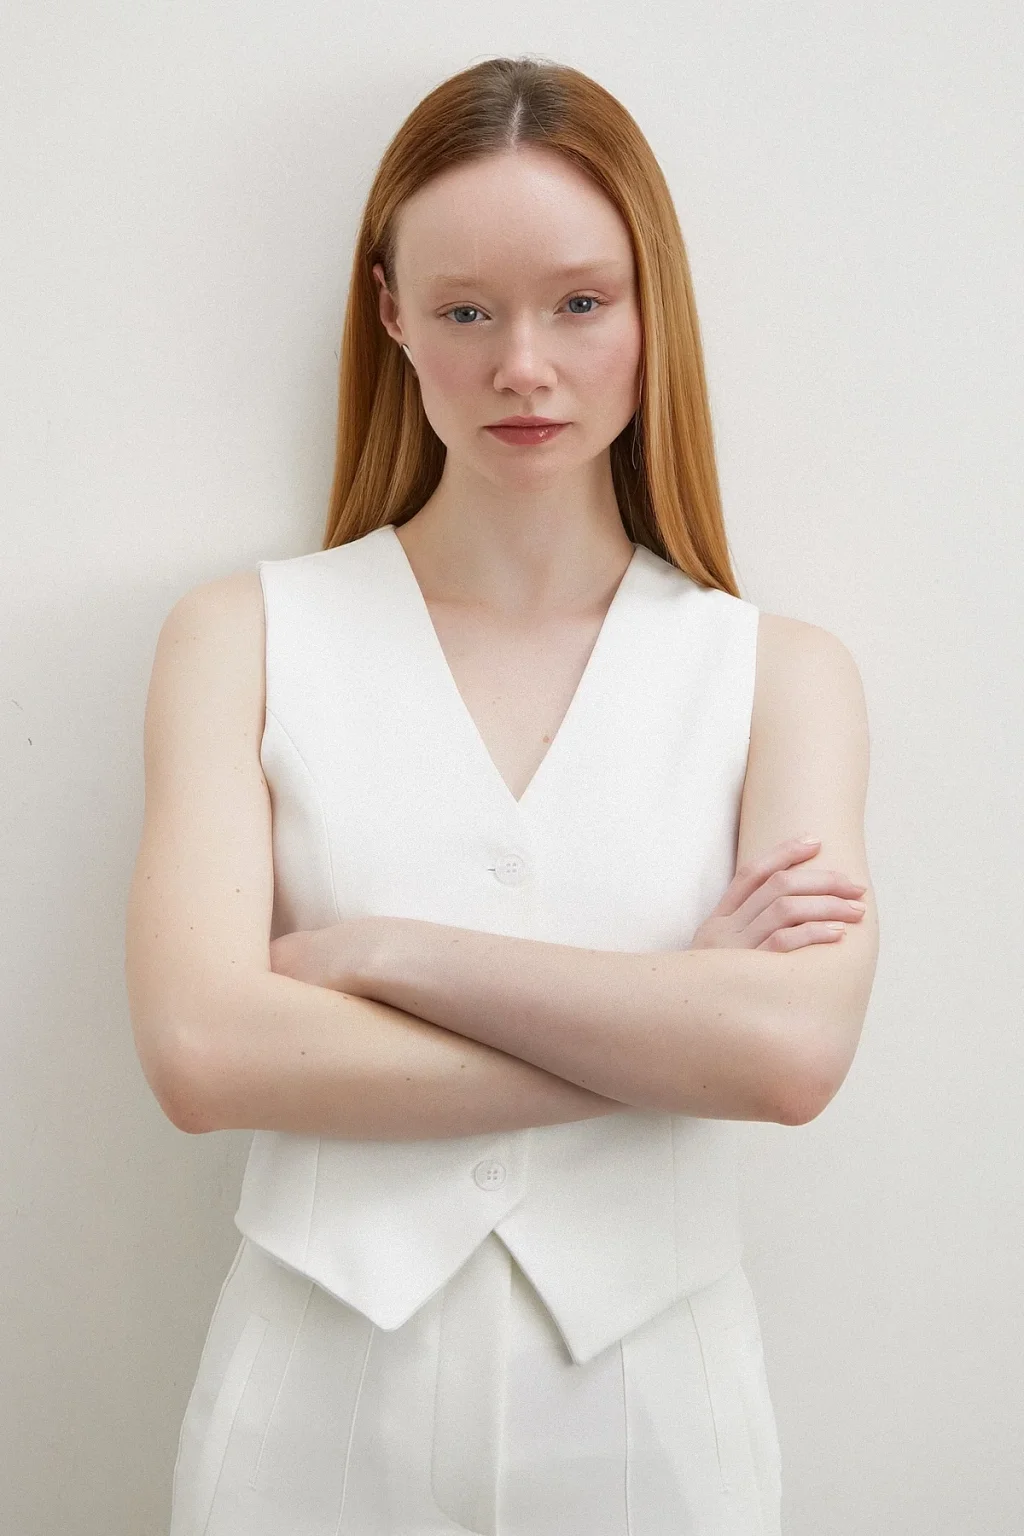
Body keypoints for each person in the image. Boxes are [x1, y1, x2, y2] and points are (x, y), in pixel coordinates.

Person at [125, 54, 877, 1536]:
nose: (522, 366)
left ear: (652, 311)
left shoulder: (780, 674)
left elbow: (790, 1054)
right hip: (312, 1409)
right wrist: (673, 1026)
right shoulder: (242, 637)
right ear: (392, 313)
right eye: (466, 310)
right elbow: (204, 1054)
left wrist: (390, 957)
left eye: (580, 303)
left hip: (655, 1423)